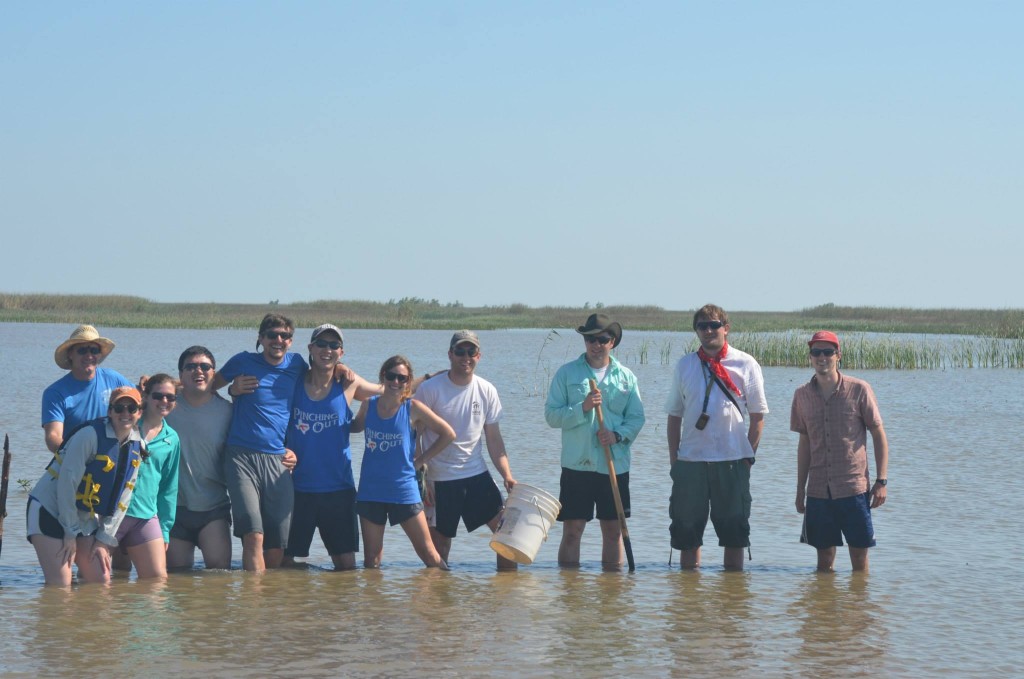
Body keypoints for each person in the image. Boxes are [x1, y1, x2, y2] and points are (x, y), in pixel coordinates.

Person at [666, 304, 768, 570]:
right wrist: (674, 461)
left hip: (733, 461)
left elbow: (758, 417)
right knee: (687, 534)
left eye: (714, 325)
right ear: (696, 331)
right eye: (702, 326)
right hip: (690, 462)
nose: (709, 330)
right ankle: (689, 600)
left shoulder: (746, 363)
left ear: (726, 328)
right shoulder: (685, 365)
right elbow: (674, 416)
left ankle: (732, 601)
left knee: (734, 534)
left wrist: (748, 458)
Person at [545, 313, 645, 570]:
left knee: (613, 530)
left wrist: (617, 435)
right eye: (590, 338)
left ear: (612, 341)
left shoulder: (626, 377)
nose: (595, 344)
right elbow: (552, 416)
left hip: (615, 464)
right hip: (578, 465)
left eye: (602, 339)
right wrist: (583, 407)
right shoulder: (567, 373)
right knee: (572, 530)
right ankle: (569, 591)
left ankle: (611, 594)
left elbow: (636, 418)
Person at [211, 313, 306, 573]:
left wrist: (341, 369)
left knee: (276, 545)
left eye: (284, 336)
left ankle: (266, 604)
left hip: (278, 459)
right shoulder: (243, 361)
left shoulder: (298, 364)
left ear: (291, 340)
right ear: (261, 338)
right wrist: (231, 389)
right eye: (272, 335)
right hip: (240, 457)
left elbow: (323, 378)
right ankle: (250, 608)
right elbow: (208, 386)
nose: (278, 340)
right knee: (253, 533)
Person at [283, 324, 382, 571]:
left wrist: (432, 379)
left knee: (346, 566)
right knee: (282, 564)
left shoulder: (348, 383)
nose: (327, 350)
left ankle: (336, 609)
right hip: (296, 489)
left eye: (334, 345)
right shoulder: (293, 380)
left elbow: (390, 390)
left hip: (338, 488)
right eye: (322, 344)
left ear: (341, 352)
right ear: (310, 348)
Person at [415, 330, 517, 569]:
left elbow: (494, 440)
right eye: (460, 351)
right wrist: (423, 476)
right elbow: (415, 436)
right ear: (450, 354)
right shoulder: (430, 389)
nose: (465, 357)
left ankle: (505, 598)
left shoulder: (487, 389)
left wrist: (507, 475)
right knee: (440, 547)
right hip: (439, 480)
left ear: (479, 356)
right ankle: (439, 604)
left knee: (507, 538)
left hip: (476, 475)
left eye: (471, 352)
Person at [27, 386, 146, 586]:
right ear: (110, 411)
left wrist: (104, 538)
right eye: (119, 408)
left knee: (100, 580)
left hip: (82, 514)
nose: (125, 413)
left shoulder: (137, 445)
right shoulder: (89, 435)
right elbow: (67, 484)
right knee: (60, 585)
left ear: (139, 413)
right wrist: (70, 532)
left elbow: (124, 497)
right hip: (49, 508)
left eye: (131, 408)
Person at [791, 331, 889, 572]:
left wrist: (881, 480)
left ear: (838, 356)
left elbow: (878, 434)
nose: (821, 357)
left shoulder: (859, 390)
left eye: (828, 352)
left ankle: (859, 607)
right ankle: (825, 608)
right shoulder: (801, 395)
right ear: (810, 357)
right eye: (816, 352)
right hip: (818, 490)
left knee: (859, 557)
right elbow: (804, 444)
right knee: (823, 559)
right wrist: (799, 490)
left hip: (853, 487)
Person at [353, 356, 455, 569]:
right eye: (391, 376)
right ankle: (372, 602)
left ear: (408, 382)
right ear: (383, 376)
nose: (396, 382)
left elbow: (448, 434)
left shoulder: (413, 408)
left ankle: (443, 596)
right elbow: (352, 427)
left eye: (402, 378)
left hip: (403, 490)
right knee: (371, 560)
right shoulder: (367, 405)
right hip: (371, 491)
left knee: (429, 555)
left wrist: (421, 461)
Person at [166, 346, 234, 570]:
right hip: (174, 508)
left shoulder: (229, 412)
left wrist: (287, 452)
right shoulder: (164, 407)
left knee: (218, 574)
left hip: (213, 507)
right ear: (181, 375)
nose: (199, 371)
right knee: (176, 580)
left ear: (214, 373)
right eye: (191, 367)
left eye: (205, 367)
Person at [113, 374, 181, 580]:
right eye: (158, 396)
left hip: (145, 516)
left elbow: (169, 488)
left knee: (157, 580)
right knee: (102, 583)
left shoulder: (172, 439)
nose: (164, 401)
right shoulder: (126, 423)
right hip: (111, 515)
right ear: (146, 396)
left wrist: (165, 529)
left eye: (171, 397)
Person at [42, 324, 133, 453]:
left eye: (94, 350)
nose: (89, 356)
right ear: (70, 354)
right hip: (74, 458)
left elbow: (143, 400)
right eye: (82, 350)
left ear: (100, 355)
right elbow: (53, 436)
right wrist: (76, 454)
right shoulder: (55, 393)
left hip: (111, 458)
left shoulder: (114, 379)